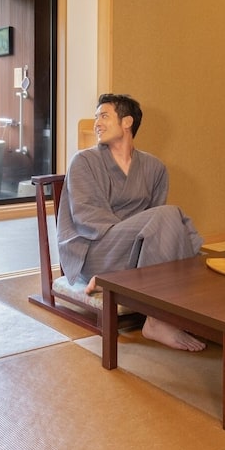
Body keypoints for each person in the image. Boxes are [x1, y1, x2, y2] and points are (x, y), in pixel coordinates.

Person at [57, 93, 206, 351]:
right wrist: (135, 234)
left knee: (171, 219)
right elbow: (86, 216)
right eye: (96, 117)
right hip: (95, 251)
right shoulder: (83, 161)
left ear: (127, 122)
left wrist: (140, 238)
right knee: (172, 215)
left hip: (138, 255)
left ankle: (182, 307)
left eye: (104, 116)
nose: (96, 123)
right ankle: (157, 320)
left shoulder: (155, 168)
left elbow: (157, 225)